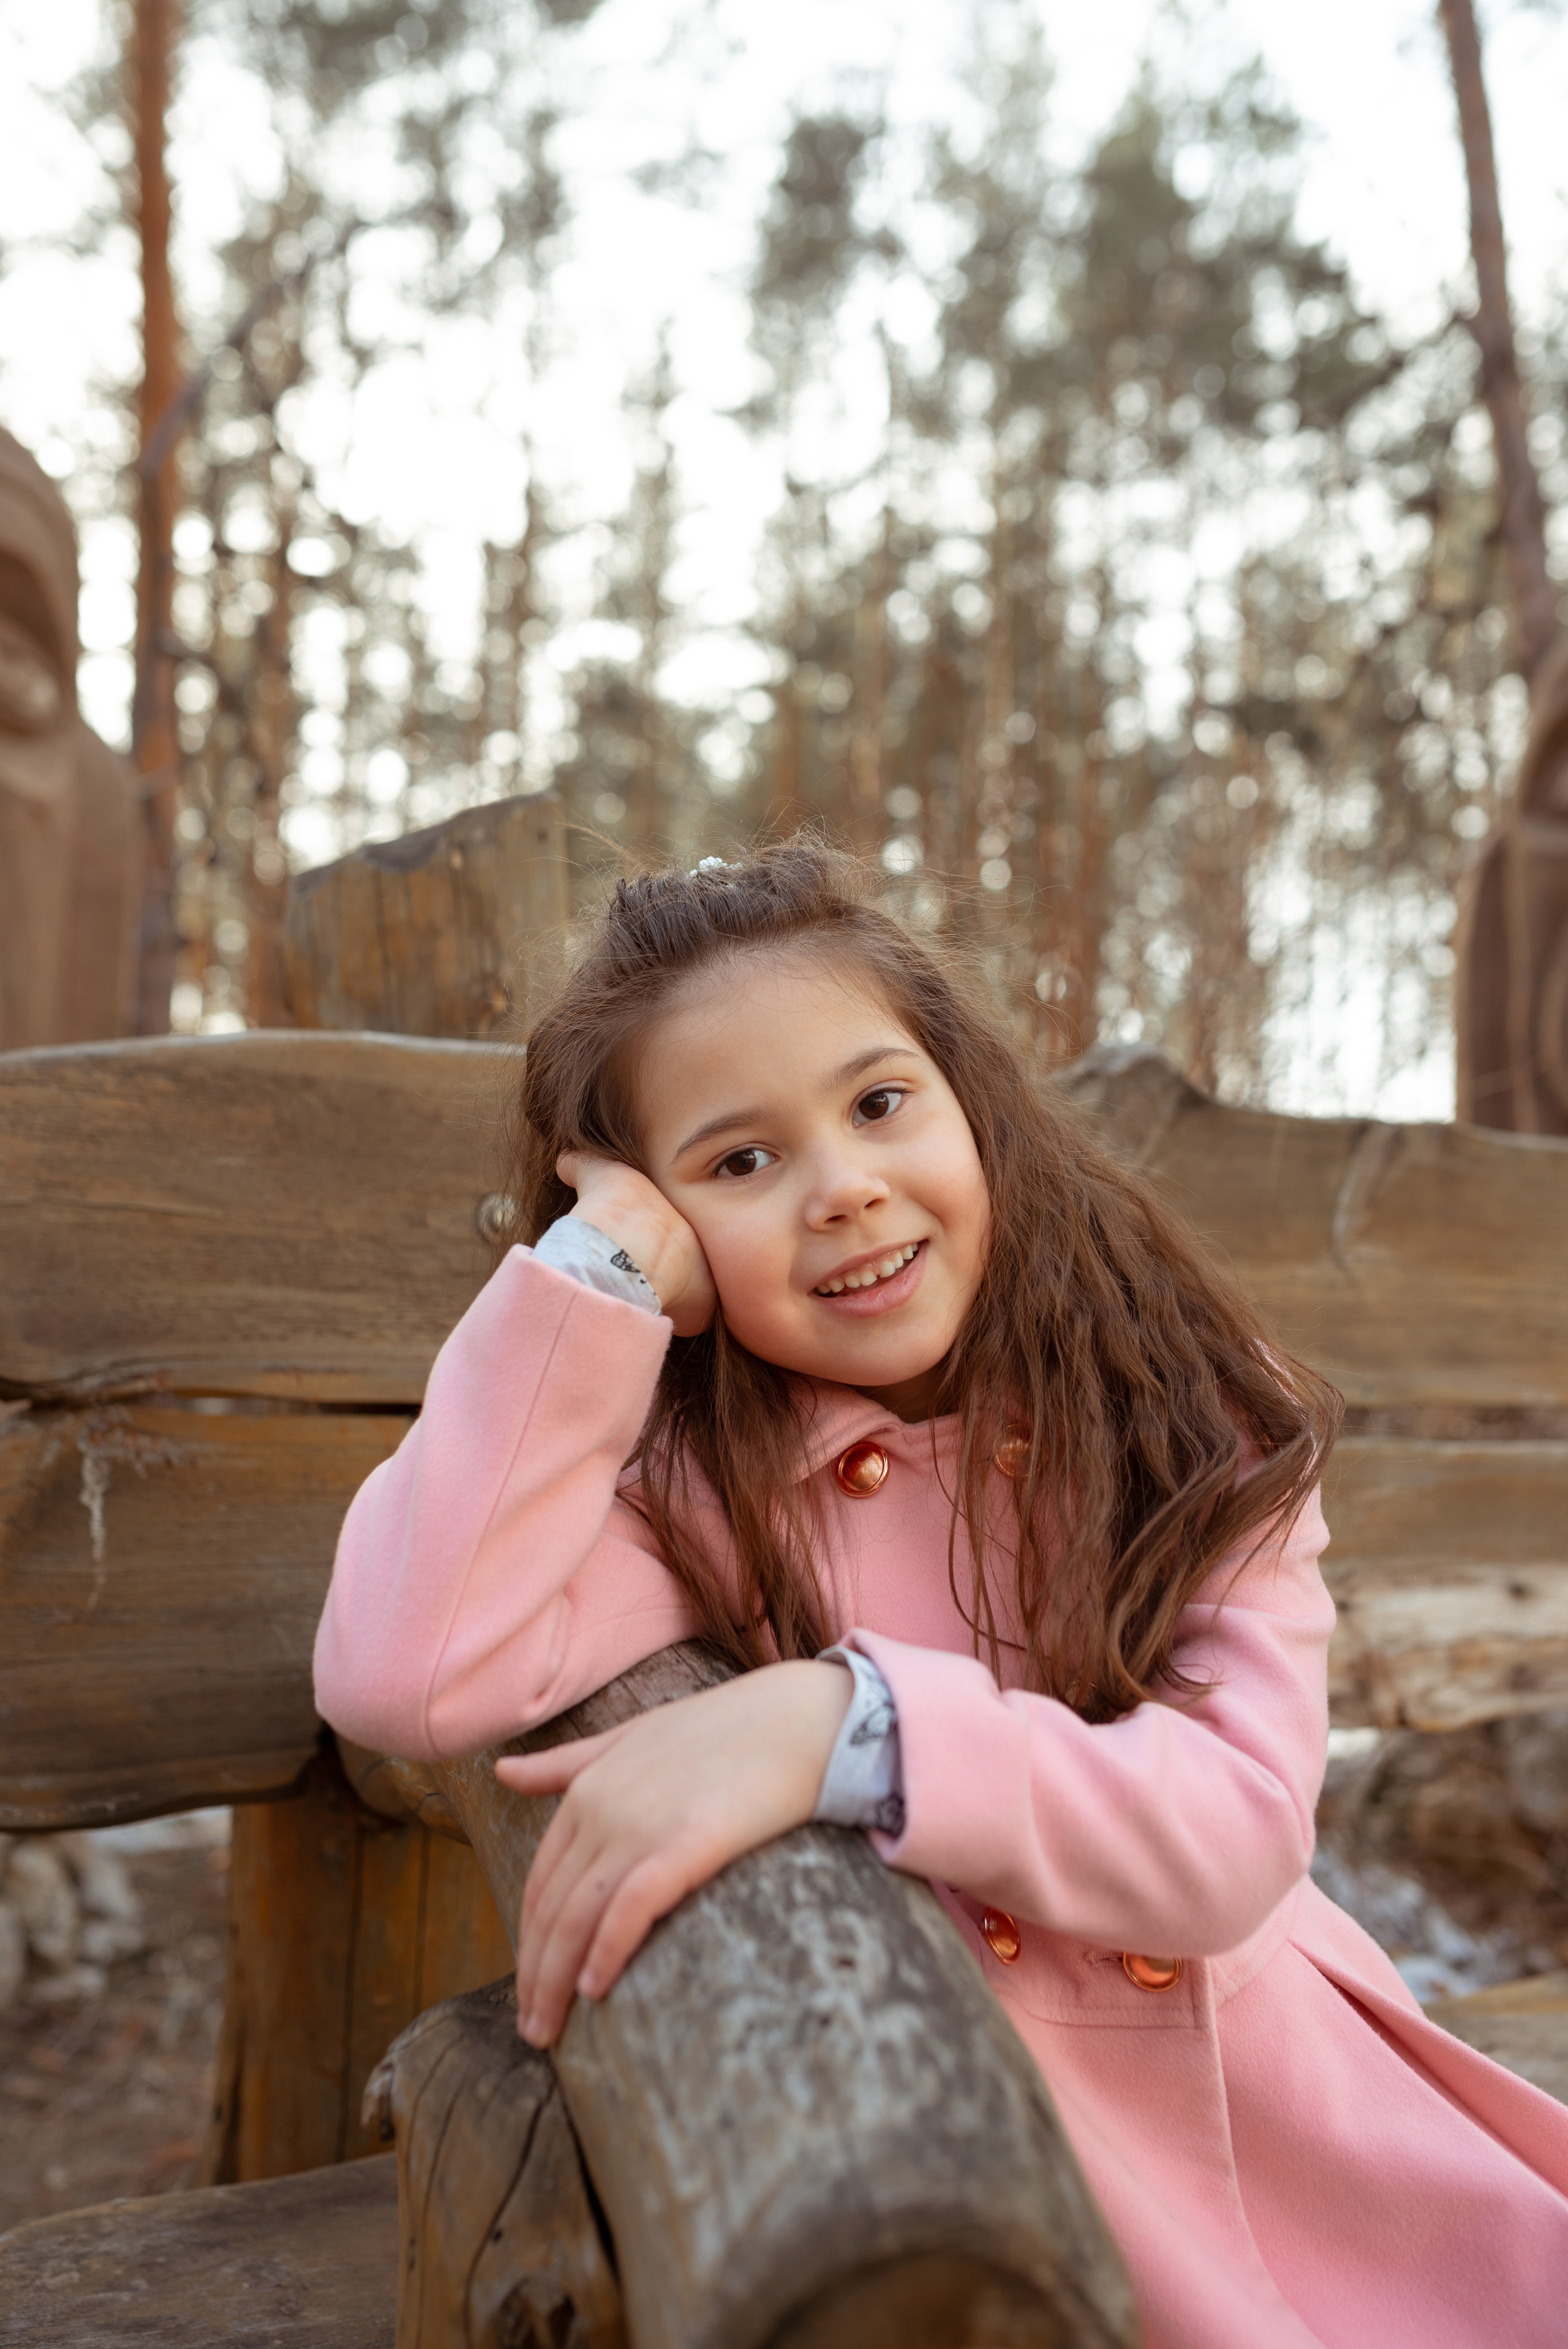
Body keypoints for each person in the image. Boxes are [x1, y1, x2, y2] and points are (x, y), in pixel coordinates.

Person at [314, 841, 1568, 2349]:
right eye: (738, 1163)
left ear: (972, 1105)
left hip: (1297, 2128)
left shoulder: (1188, 1417)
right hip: (933, 2149)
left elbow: (1235, 1831)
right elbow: (403, 1670)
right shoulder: (688, 1488)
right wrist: (593, 1273)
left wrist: (846, 1728)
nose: (843, 1189)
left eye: (877, 1104)